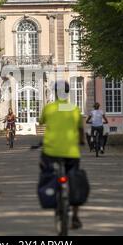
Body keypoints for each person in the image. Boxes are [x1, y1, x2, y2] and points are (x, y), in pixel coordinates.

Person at [39, 80, 85, 230]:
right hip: (71, 152)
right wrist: (82, 141)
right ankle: (76, 216)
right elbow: (80, 130)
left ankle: (50, 192)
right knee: (75, 180)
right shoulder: (74, 108)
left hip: (50, 151)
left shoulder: (49, 108)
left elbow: (41, 122)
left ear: (55, 92)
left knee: (46, 171)